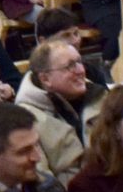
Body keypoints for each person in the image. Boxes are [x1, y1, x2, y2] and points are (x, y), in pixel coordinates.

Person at [13, 39, 99, 177]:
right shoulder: (24, 118)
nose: (81, 71)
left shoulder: (99, 97)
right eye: (70, 66)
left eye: (79, 62)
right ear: (45, 79)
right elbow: (41, 180)